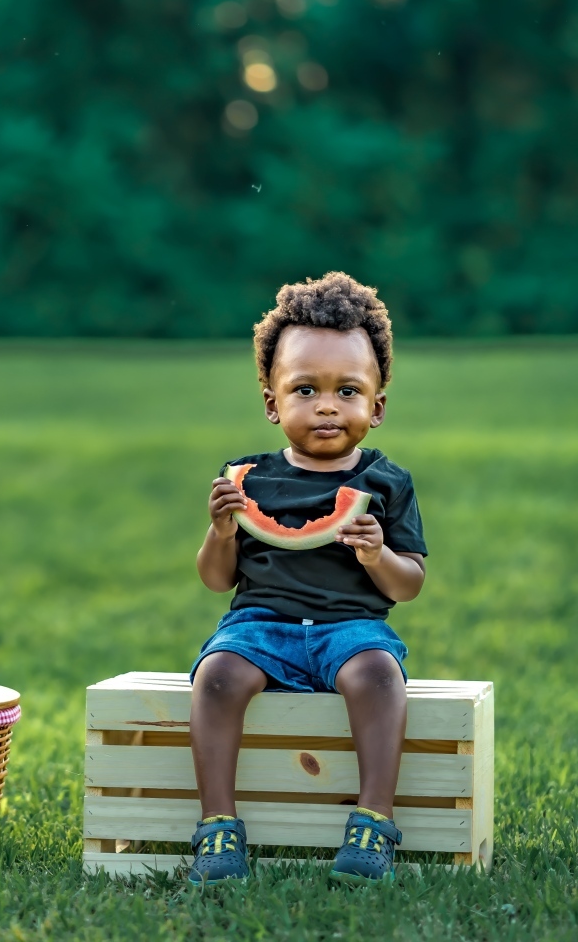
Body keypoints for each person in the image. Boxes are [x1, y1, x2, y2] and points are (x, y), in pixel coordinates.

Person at [188, 272, 427, 887]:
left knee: (378, 674)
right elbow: (217, 581)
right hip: (259, 625)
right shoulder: (246, 479)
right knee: (215, 676)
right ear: (273, 403)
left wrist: (378, 555)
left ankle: (373, 819)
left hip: (352, 628)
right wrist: (220, 532)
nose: (326, 405)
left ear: (377, 406)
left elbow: (409, 584)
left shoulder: (386, 483)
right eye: (305, 390)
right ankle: (218, 826)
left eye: (347, 390)